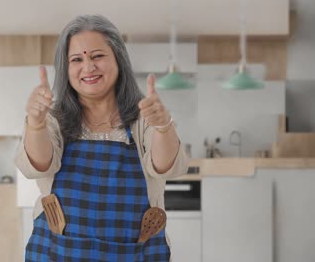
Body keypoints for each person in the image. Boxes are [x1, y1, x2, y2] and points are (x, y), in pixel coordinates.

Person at [15, 14, 188, 261]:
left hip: (135, 253)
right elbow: (39, 165)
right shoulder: (52, 119)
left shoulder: (144, 116)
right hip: (59, 252)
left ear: (118, 59)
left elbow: (164, 168)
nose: (88, 67)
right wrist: (35, 123)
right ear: (66, 69)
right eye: (76, 59)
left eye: (97, 56)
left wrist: (162, 127)